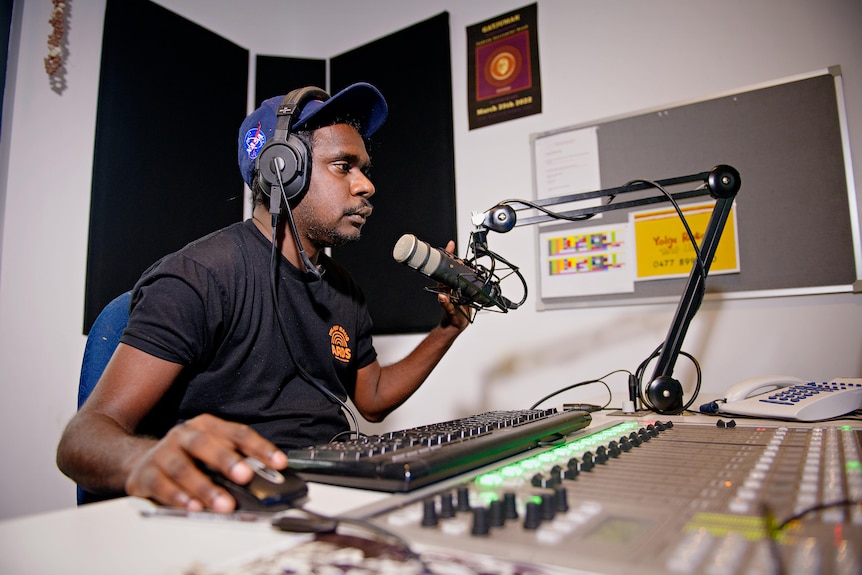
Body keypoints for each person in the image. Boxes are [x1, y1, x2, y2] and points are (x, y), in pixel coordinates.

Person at [56, 83, 470, 513]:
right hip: (238, 501)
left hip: (332, 494)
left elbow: (373, 398)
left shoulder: (344, 288)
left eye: (364, 168)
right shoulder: (199, 277)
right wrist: (143, 458)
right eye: (343, 166)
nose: (366, 185)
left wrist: (448, 329)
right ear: (281, 169)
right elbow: (82, 437)